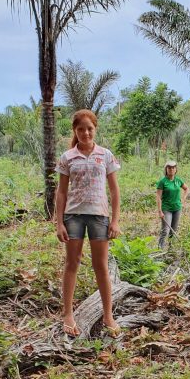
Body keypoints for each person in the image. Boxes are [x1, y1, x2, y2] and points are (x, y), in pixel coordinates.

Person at [55, 109, 122, 337]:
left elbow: (114, 190)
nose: (85, 133)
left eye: (89, 129)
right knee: (71, 263)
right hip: (73, 216)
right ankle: (68, 314)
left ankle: (108, 315)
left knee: (100, 266)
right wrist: (59, 223)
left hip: (99, 216)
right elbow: (62, 193)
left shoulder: (105, 155)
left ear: (95, 129)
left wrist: (114, 221)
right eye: (81, 129)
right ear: (75, 130)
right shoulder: (67, 157)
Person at [156, 160, 189, 248]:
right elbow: (158, 196)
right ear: (166, 169)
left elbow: (186, 189)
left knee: (173, 230)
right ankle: (160, 249)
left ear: (176, 169)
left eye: (173, 168)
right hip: (166, 209)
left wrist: (183, 199)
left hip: (177, 208)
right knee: (165, 230)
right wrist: (160, 211)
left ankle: (171, 249)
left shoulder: (178, 180)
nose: (171, 169)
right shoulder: (162, 182)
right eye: (169, 168)